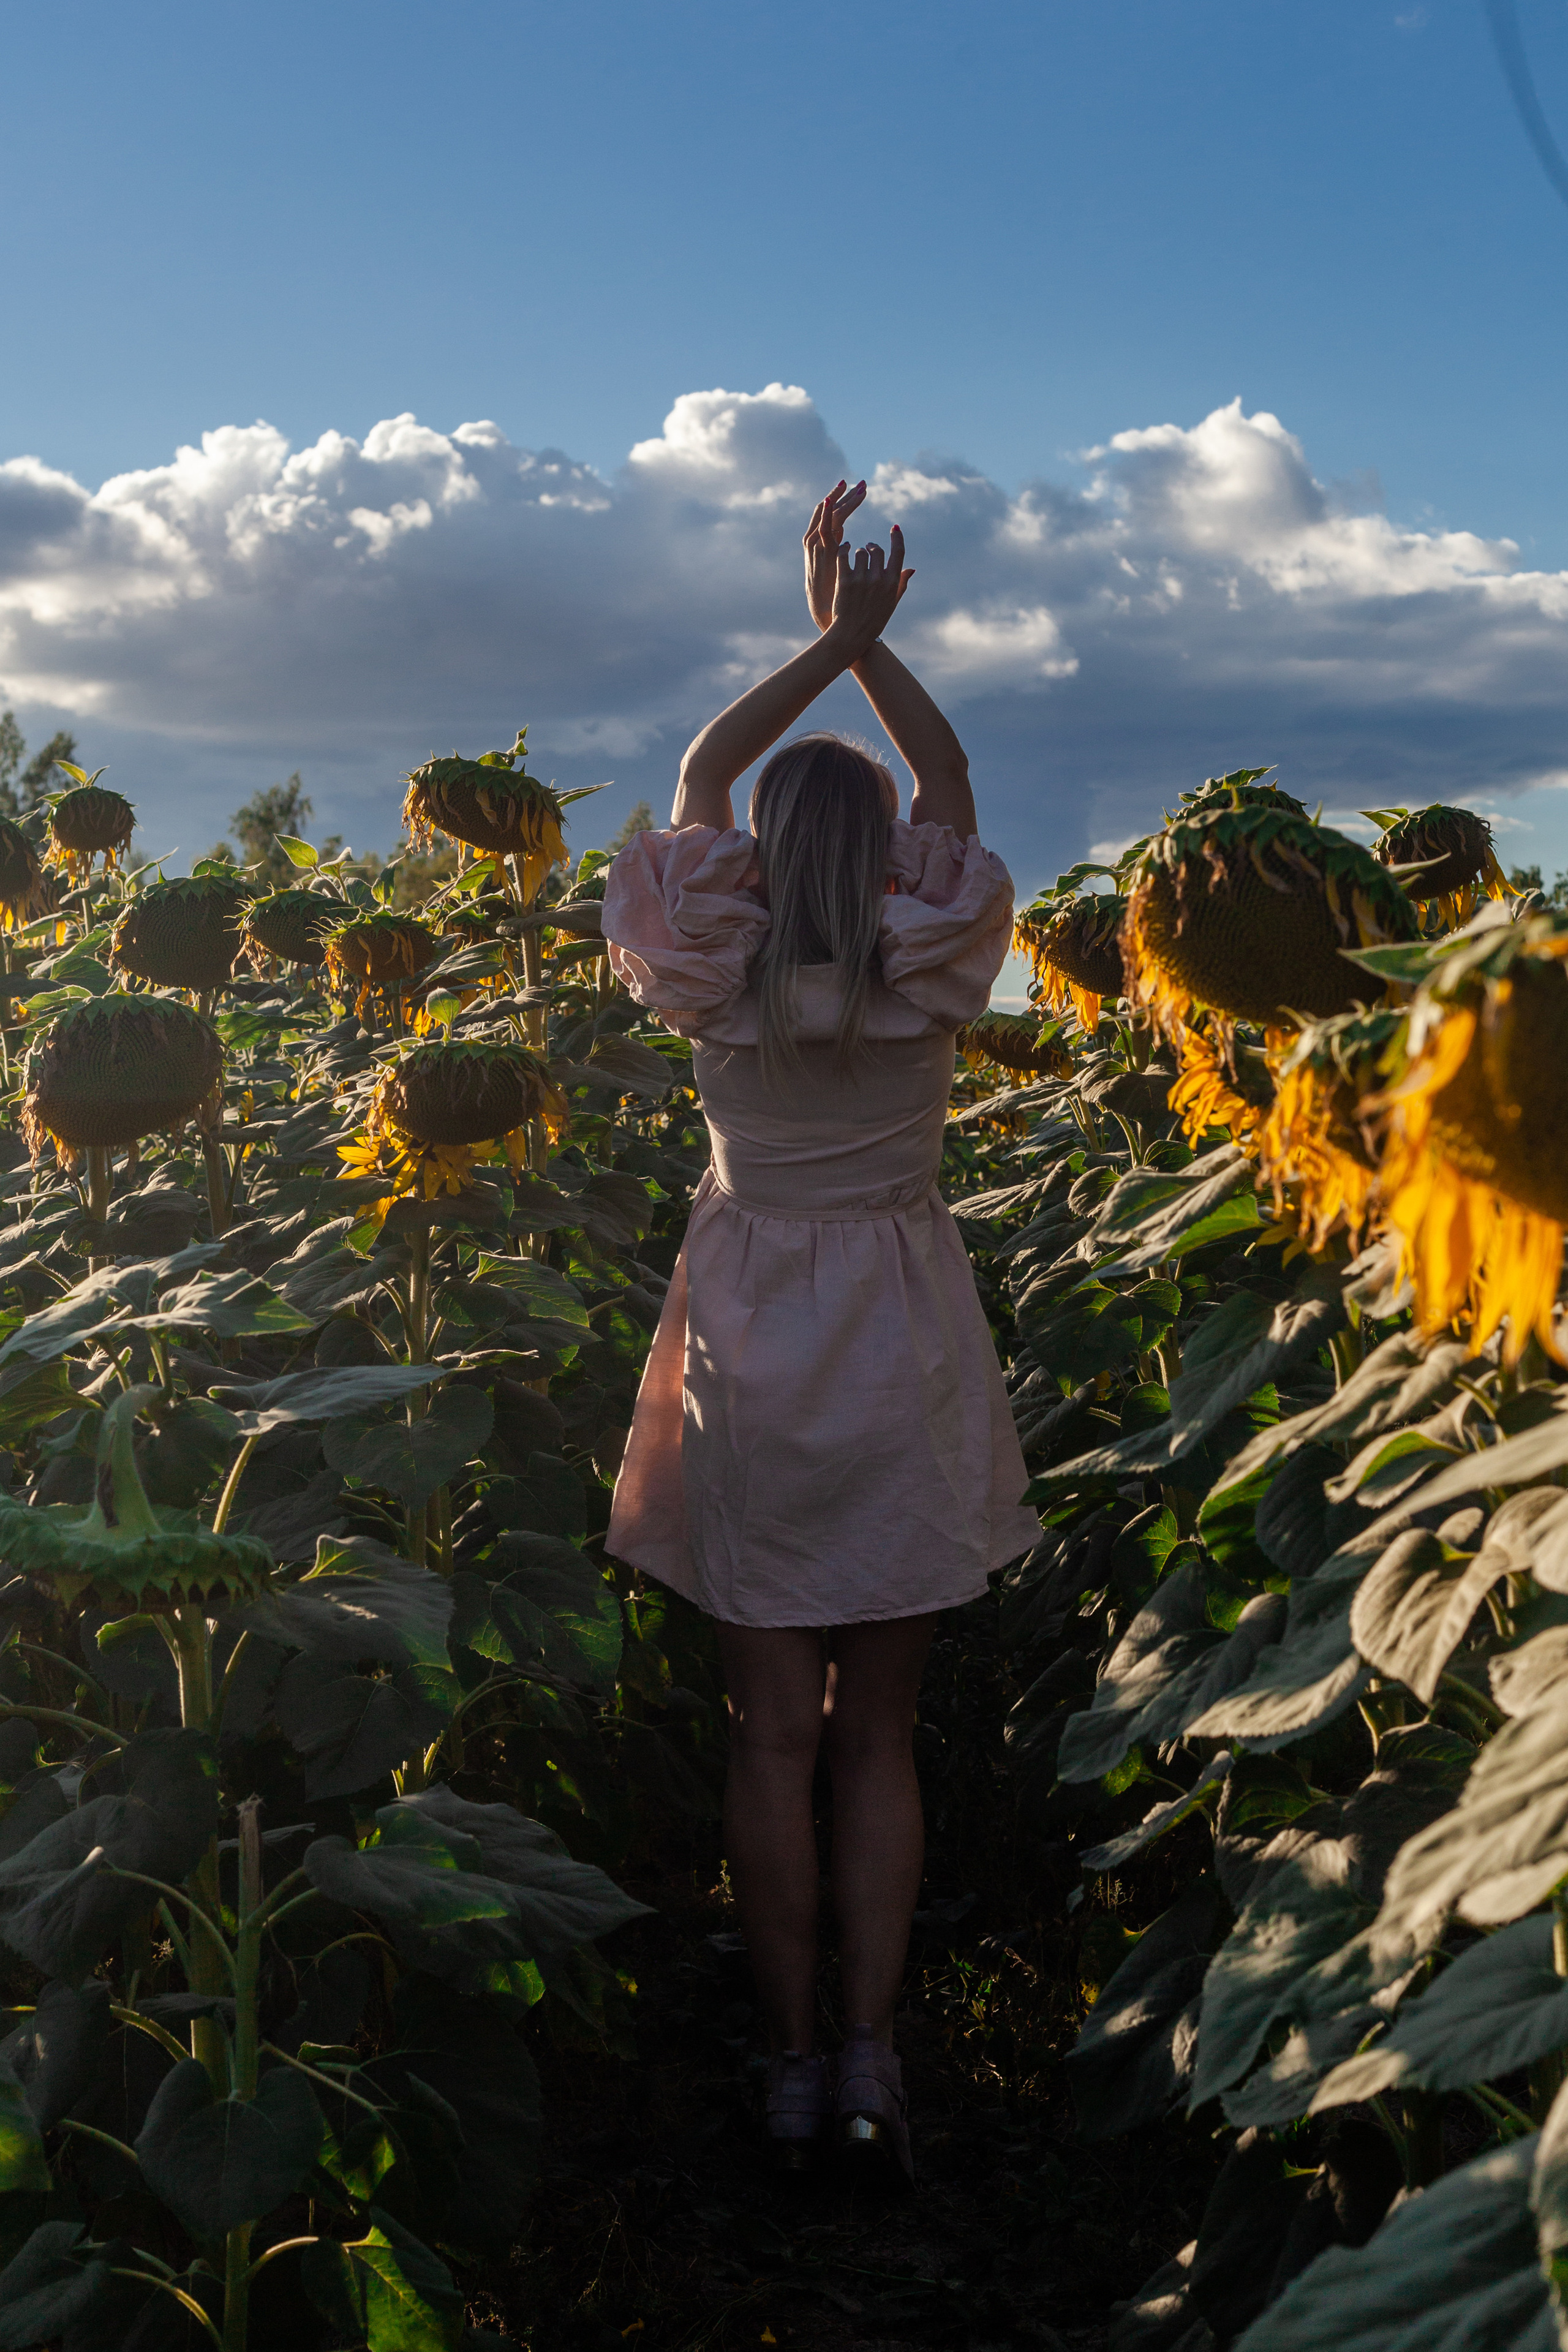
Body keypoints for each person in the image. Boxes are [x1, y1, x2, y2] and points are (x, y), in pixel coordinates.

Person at [601, 483, 1040, 2183]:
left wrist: (825, 642)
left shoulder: (714, 958)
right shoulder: (928, 954)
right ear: (891, 854)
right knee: (879, 1738)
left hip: (752, 1339)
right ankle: (873, 2051)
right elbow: (949, 789)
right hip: (901, 1327)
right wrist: (882, 651)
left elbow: (708, 775)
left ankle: (786, 2062)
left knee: (768, 1734)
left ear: (765, 855)